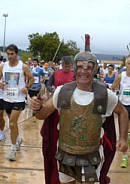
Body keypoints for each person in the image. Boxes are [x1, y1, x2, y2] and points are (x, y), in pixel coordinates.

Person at [30, 48, 129, 183]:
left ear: (94, 70)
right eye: (80, 67)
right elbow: (43, 114)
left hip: (91, 156)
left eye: (88, 67)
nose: (84, 71)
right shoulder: (62, 92)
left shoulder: (105, 95)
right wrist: (37, 108)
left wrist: (123, 138)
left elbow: (123, 111)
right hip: (65, 155)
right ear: (75, 69)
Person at [0, 44, 34, 161]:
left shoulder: (23, 67)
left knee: (11, 123)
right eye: (8, 54)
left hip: (19, 99)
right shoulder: (3, 66)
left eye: (12, 54)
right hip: (7, 98)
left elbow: (31, 78)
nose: (10, 56)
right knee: (13, 124)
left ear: (17, 54)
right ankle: (18, 139)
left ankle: (12, 149)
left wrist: (26, 87)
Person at [41, 56, 75, 184]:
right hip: (56, 108)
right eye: (64, 65)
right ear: (62, 64)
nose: (66, 67)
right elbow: (48, 85)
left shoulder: (74, 74)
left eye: (68, 65)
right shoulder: (56, 73)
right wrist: (51, 90)